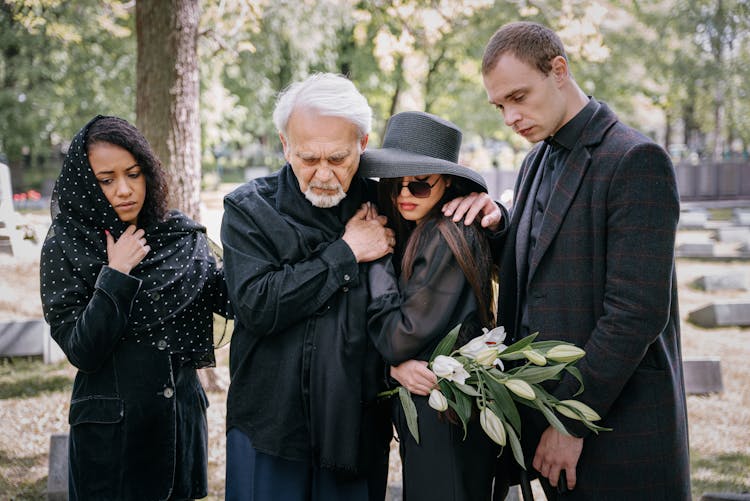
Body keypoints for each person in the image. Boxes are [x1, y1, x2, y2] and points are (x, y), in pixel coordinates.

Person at [221, 73, 504, 501]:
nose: (322, 174)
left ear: (363, 144)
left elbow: (431, 276)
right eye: (307, 158)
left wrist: (494, 214)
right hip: (271, 430)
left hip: (356, 434)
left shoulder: (392, 204)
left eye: (337, 158)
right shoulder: (247, 209)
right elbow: (258, 306)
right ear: (285, 145)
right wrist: (347, 252)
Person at [481, 22, 690, 499]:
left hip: (619, 429)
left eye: (518, 97)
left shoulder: (635, 159)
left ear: (559, 70)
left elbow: (636, 312)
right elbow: (536, 266)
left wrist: (570, 421)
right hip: (546, 431)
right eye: (500, 107)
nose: (510, 117)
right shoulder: (536, 158)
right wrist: (496, 226)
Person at [40, 115, 232, 500]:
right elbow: (82, 349)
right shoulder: (67, 244)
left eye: (134, 173)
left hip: (178, 427)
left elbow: (231, 300)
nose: (125, 190)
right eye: (106, 179)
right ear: (85, 183)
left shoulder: (179, 234)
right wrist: (116, 273)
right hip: (113, 440)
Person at [362, 111, 499, 501]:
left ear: (448, 184)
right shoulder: (426, 230)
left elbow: (398, 338)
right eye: (395, 183)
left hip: (443, 416)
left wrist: (374, 259)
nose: (404, 193)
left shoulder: (445, 236)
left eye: (420, 185)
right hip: (440, 410)